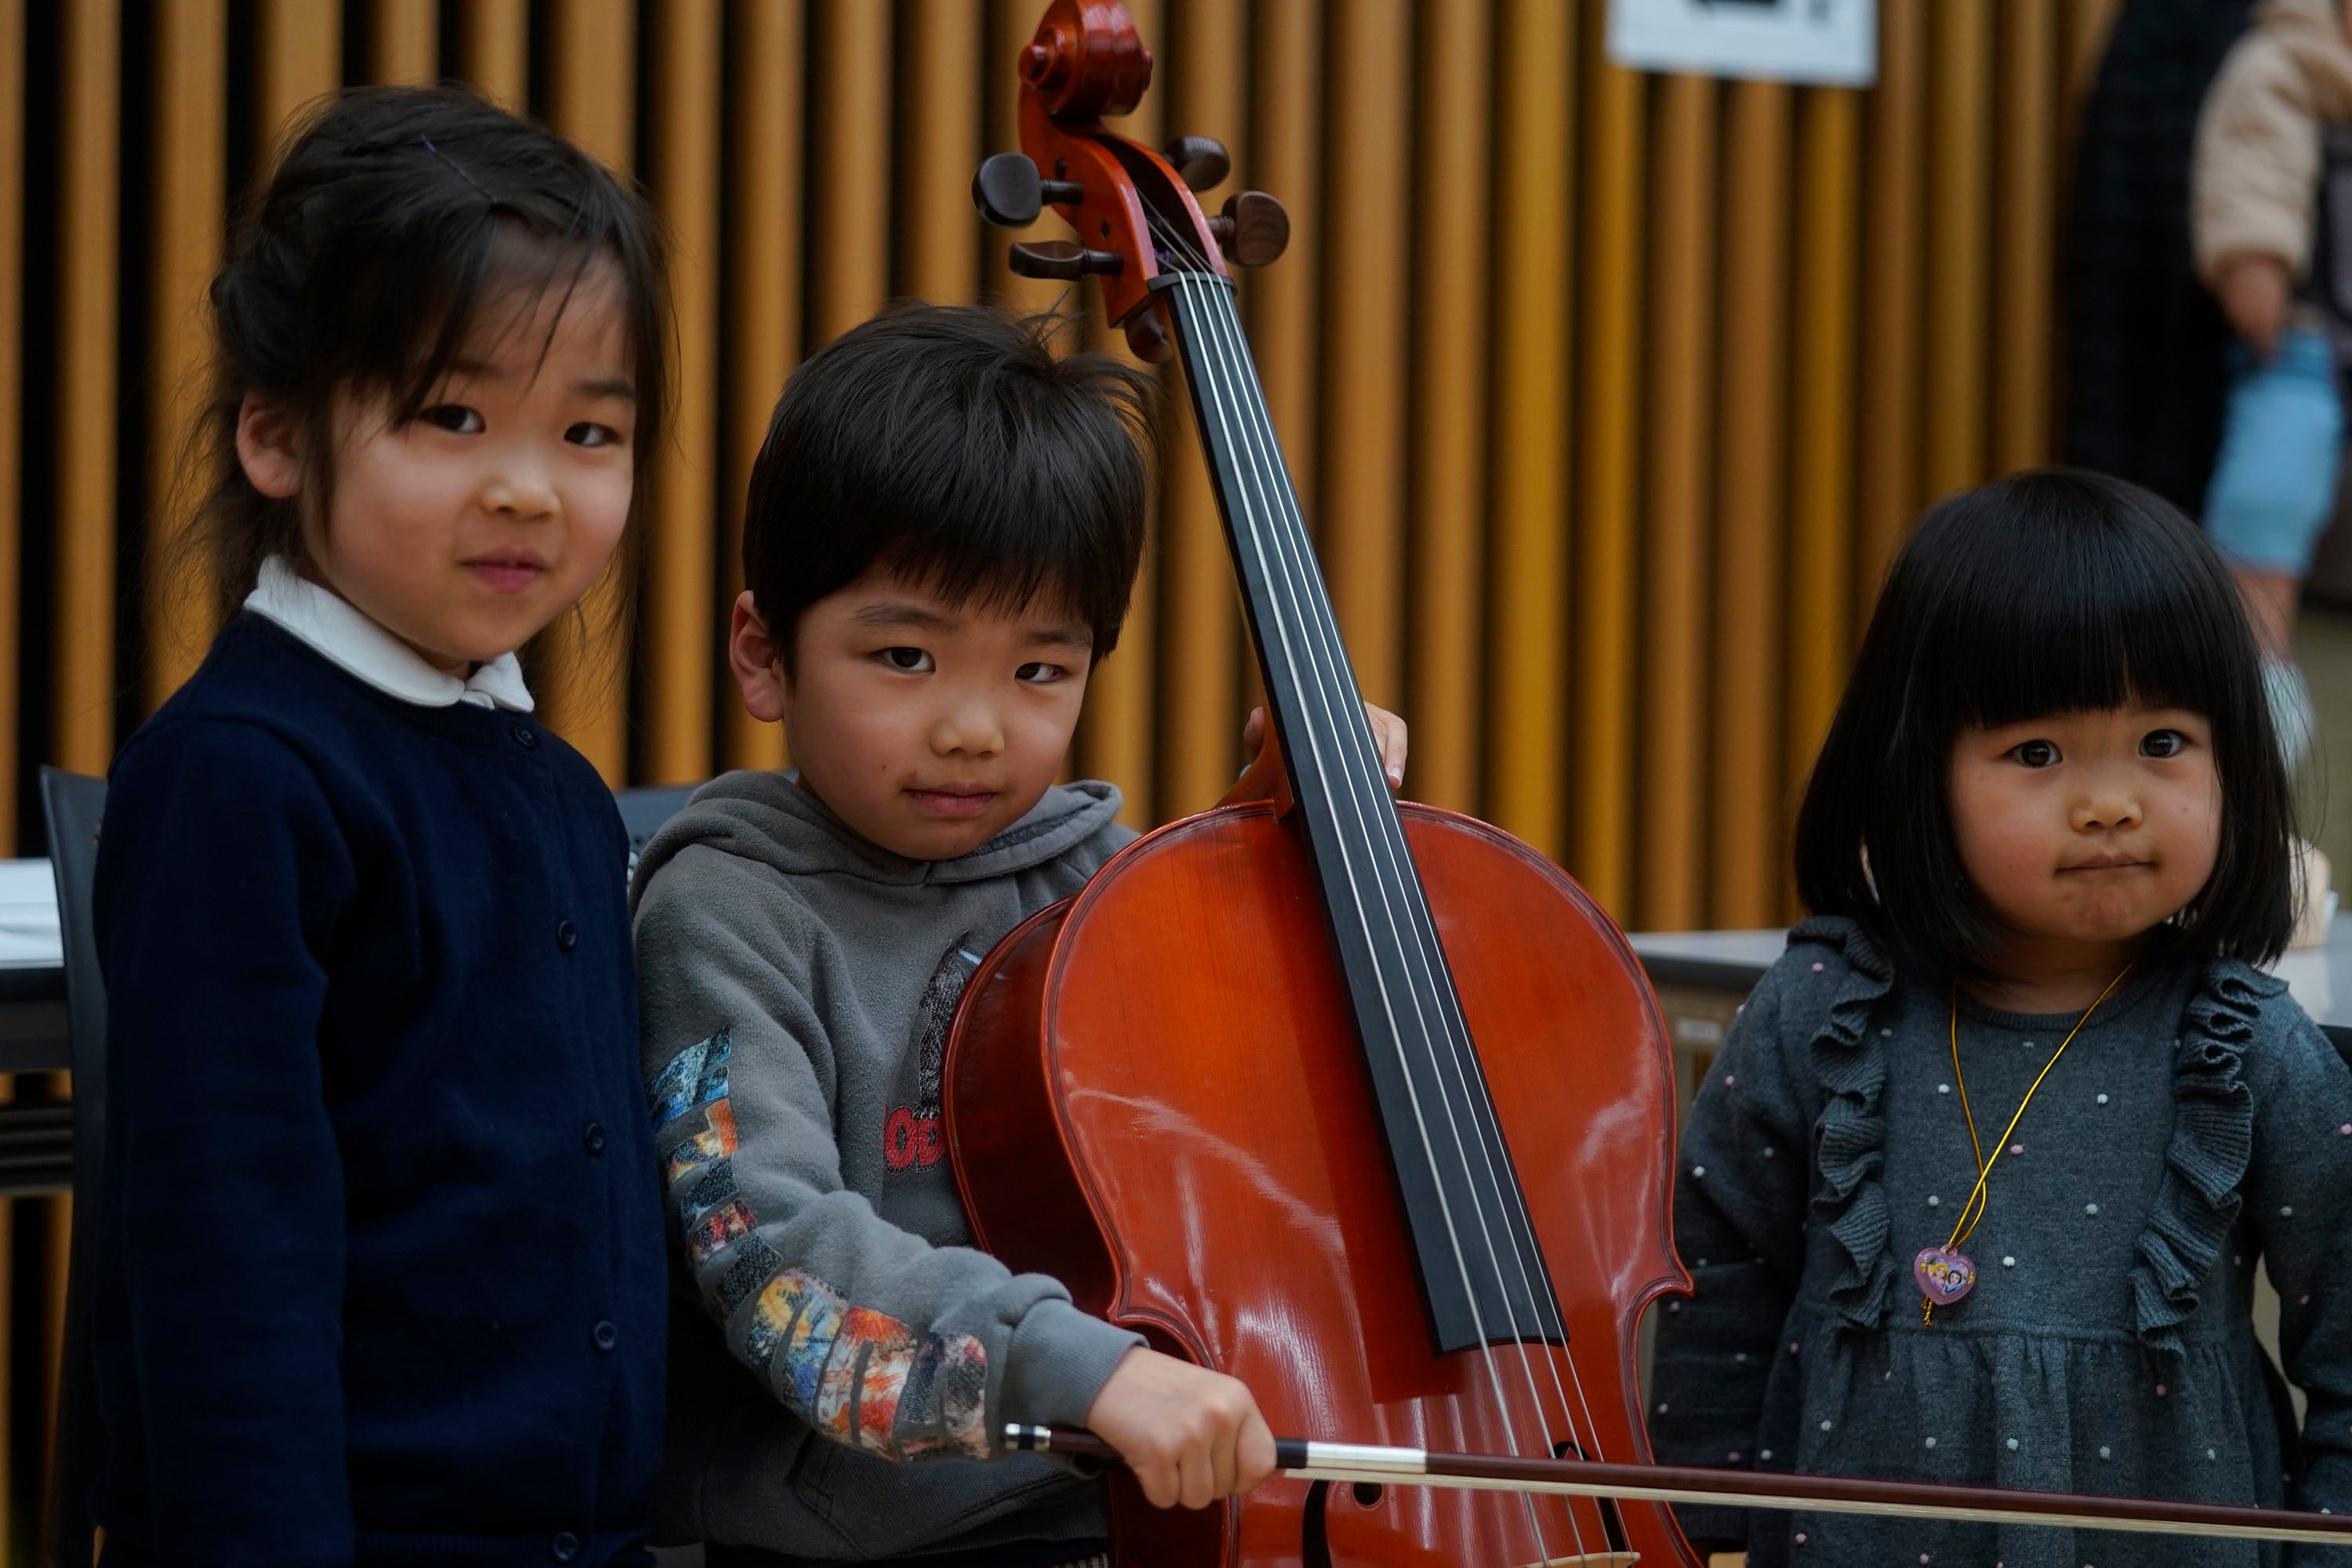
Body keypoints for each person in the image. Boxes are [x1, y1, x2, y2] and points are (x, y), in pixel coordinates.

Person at [629, 303, 1406, 1566]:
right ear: (764, 654)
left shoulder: (1095, 877)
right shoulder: (724, 914)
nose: (975, 730)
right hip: (876, 1541)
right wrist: (1074, 1369)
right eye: (905, 656)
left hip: (1141, 1507)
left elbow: (1251, 1123)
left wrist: (1298, 844)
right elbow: (772, 1257)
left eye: (1040, 670)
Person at [91, 87, 672, 1564]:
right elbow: (228, 1267)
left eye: (589, 431)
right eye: (453, 416)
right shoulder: (240, 777)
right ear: (279, 435)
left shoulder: (555, 788)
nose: (527, 488)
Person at [1647, 469, 2352, 1567]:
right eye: (2037, 753)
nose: (2111, 802)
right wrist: (1710, 1536)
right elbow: (1717, 1302)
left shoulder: (2247, 1048)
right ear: (1916, 772)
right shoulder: (1822, 1012)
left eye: (2164, 742)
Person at [2191, 0, 2352, 766]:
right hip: (2306, 347)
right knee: (2272, 476)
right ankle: (2261, 670)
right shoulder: (2282, 68)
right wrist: (2261, 289)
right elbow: (2248, 190)